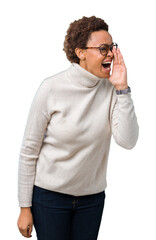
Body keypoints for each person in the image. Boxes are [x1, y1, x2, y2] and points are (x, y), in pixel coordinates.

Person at [17, 15, 139, 240]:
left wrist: (122, 88)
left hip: (91, 200)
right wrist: (25, 207)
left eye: (112, 47)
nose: (111, 54)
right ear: (81, 53)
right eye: (103, 48)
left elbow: (127, 141)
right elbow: (29, 151)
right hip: (49, 198)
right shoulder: (51, 88)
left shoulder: (112, 89)